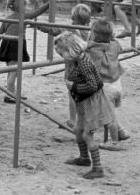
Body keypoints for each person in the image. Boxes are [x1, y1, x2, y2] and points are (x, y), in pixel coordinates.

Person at [55, 31, 114, 180]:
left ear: (71, 50)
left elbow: (94, 85)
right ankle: (84, 158)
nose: (62, 57)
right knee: (78, 130)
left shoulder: (85, 64)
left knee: (87, 134)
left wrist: (74, 86)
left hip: (91, 102)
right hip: (82, 101)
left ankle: (98, 168)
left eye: (62, 53)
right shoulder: (77, 61)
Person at [37, 3, 93, 129]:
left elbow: (53, 29)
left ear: (73, 17)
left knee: (73, 95)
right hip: (88, 65)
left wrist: (39, 25)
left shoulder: (69, 30)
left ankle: (73, 120)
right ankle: (88, 120)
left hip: (72, 68)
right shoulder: (90, 32)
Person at [0, 0, 50, 103]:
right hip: (16, 44)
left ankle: (13, 93)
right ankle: (9, 96)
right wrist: (49, 4)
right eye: (25, 6)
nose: (27, 8)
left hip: (7, 43)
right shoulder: (23, 16)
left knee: (12, 71)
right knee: (14, 72)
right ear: (21, 6)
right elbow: (37, 12)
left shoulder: (8, 18)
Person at [85, 18, 130, 150]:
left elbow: (83, 48)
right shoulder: (115, 45)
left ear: (95, 35)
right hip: (116, 83)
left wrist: (90, 41)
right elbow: (119, 46)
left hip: (105, 87)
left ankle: (115, 142)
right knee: (108, 111)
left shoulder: (92, 49)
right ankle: (121, 132)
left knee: (108, 117)